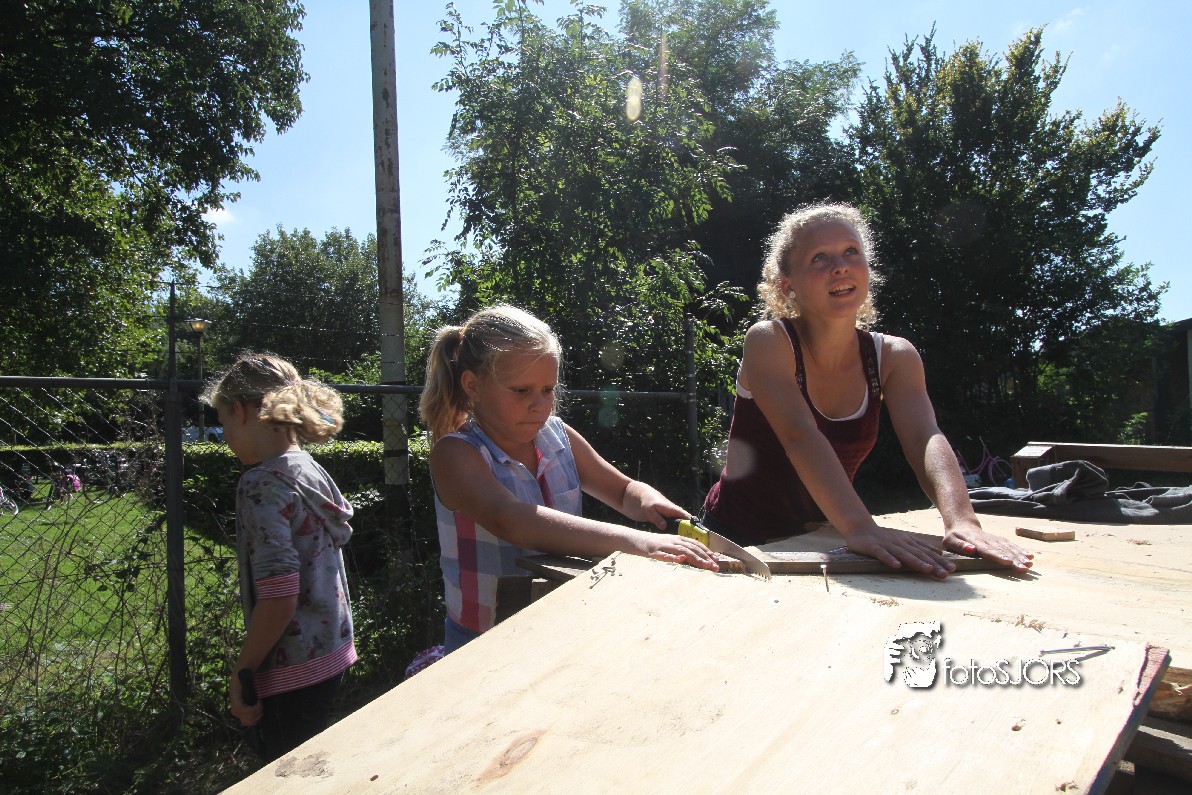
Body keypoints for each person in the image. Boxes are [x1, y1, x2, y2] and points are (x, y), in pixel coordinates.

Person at [702, 202, 1032, 578]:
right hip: (732, 540)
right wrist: (861, 526)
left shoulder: (894, 356)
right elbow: (799, 434)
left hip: (819, 539)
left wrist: (962, 522)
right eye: (819, 258)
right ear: (787, 284)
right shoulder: (769, 341)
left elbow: (924, 437)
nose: (840, 266)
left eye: (850, 251)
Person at [419, 305, 720, 654]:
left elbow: (623, 491)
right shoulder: (456, 453)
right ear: (473, 386)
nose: (539, 405)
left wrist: (649, 501)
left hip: (560, 627)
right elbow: (512, 520)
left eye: (547, 389)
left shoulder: (558, 436)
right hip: (482, 642)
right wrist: (640, 542)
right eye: (521, 390)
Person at [201, 353, 356, 760]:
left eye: (223, 421)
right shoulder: (307, 468)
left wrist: (244, 670)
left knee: (285, 773)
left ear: (240, 411)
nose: (225, 434)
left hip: (289, 671)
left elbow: (280, 594)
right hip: (332, 652)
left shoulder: (261, 483)